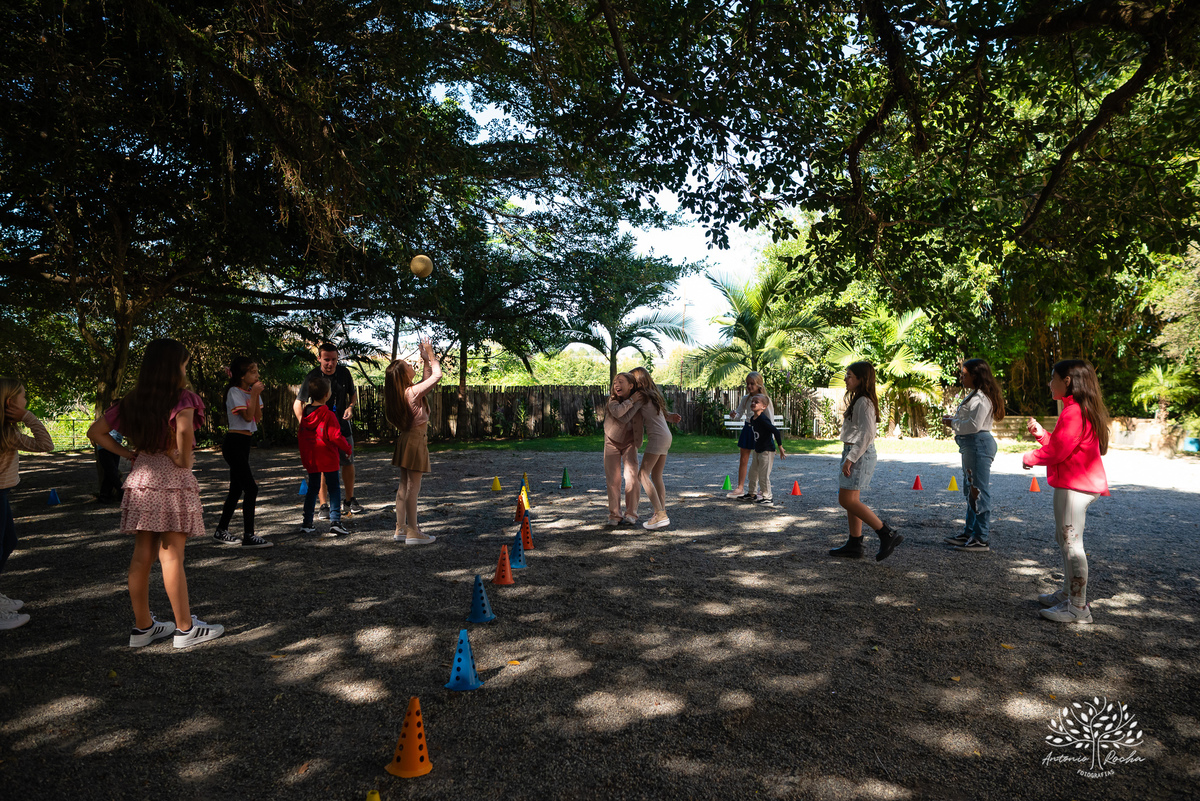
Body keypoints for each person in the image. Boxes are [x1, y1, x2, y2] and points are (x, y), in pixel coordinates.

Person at [87, 339, 225, 649]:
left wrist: (126, 452)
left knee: (142, 557)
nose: (185, 370)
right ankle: (186, 629)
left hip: (141, 478)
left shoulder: (132, 400)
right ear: (174, 367)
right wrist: (184, 459)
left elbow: (95, 433)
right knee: (172, 555)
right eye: (184, 365)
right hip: (170, 478)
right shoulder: (182, 398)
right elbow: (185, 430)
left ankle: (143, 628)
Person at [1022, 359, 1111, 624]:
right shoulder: (1077, 410)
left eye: (1053, 377)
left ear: (1067, 381)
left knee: (1072, 544)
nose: (1050, 383)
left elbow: (1059, 451)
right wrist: (1041, 435)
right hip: (1074, 484)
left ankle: (1078, 608)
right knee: (1065, 541)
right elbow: (1063, 445)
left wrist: (1031, 457)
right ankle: (1068, 595)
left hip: (1075, 486)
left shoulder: (1073, 412)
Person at [828, 361, 903, 561]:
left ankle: (886, 533)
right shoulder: (859, 400)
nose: (846, 379)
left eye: (850, 375)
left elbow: (868, 434)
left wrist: (851, 458)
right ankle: (855, 544)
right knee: (850, 500)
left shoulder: (864, 402)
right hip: (853, 451)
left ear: (862, 379)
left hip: (859, 454)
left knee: (846, 500)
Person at [0, 378, 54, 630]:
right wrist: (29, 417)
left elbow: (46, 446)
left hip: (2, 494)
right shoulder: (8, 435)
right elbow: (46, 444)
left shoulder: (8, 432)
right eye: (24, 397)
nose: (27, 401)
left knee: (9, 542)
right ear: (11, 402)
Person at [942, 359, 1005, 552]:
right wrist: (955, 420)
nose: (961, 376)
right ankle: (970, 532)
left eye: (965, 374)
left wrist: (952, 423)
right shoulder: (975, 395)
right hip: (972, 444)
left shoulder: (981, 398)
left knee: (978, 491)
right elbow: (970, 421)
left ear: (976, 376)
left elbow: (974, 425)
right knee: (971, 490)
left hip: (978, 444)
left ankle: (981, 538)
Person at [385, 339, 442, 545]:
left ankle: (401, 528)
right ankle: (413, 531)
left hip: (406, 440)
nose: (412, 366)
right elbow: (437, 376)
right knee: (413, 489)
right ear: (403, 374)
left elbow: (425, 382)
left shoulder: (405, 392)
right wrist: (431, 353)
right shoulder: (411, 393)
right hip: (416, 441)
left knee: (403, 486)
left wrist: (425, 361)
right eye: (408, 366)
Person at [294, 343, 361, 518]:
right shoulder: (312, 376)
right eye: (326, 360)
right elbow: (298, 403)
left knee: (348, 462)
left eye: (334, 359)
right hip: (320, 431)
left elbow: (353, 394)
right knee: (323, 466)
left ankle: (349, 500)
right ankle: (323, 505)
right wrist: (305, 425)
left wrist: (351, 407)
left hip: (342, 425)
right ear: (319, 359)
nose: (330, 363)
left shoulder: (344, 373)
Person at [213, 357, 272, 549]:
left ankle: (221, 530)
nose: (257, 375)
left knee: (236, 489)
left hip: (245, 442)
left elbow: (257, 417)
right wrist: (254, 394)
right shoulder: (234, 392)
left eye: (257, 371)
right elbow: (247, 417)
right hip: (234, 443)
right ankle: (249, 535)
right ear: (242, 375)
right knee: (251, 488)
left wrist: (254, 395)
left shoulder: (250, 391)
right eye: (253, 372)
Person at [621, 367, 681, 531]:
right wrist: (671, 417)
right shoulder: (654, 395)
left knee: (642, 474)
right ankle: (661, 512)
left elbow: (628, 413)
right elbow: (661, 414)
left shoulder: (639, 397)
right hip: (666, 436)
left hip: (657, 438)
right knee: (656, 475)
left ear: (637, 382)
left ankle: (660, 514)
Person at [298, 376, 352, 538]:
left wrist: (305, 458)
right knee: (334, 489)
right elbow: (336, 436)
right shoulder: (328, 415)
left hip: (312, 459)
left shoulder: (305, 415)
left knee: (312, 489)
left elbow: (301, 438)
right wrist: (347, 448)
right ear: (327, 395)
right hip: (328, 458)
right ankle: (335, 522)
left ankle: (307, 523)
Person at [603, 372, 643, 527]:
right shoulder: (612, 401)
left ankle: (631, 514)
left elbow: (653, 412)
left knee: (632, 477)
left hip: (630, 442)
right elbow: (621, 414)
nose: (616, 385)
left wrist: (670, 416)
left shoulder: (640, 399)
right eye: (614, 383)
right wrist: (633, 401)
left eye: (620, 382)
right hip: (611, 440)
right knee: (613, 479)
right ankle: (615, 514)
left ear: (631, 385)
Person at [726, 372, 774, 499]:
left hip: (761, 432)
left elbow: (770, 420)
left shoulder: (765, 400)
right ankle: (740, 487)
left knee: (761, 461)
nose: (749, 386)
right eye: (747, 383)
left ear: (759, 384)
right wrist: (734, 415)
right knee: (743, 459)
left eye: (752, 383)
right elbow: (739, 414)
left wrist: (771, 437)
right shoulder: (745, 399)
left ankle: (761, 490)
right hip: (748, 429)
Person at [745, 394, 786, 507]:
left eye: (756, 402)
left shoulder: (763, 419)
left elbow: (776, 431)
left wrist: (780, 447)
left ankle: (768, 497)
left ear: (764, 406)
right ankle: (752, 494)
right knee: (753, 473)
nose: (753, 403)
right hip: (758, 450)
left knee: (763, 475)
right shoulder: (753, 419)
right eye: (752, 401)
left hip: (767, 451)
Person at [94, 429, 124, 503]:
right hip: (106, 446)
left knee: (110, 472)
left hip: (115, 446)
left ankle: (105, 495)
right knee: (112, 472)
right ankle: (122, 492)